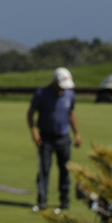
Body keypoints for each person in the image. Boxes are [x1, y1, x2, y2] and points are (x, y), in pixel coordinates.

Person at [28, 66, 80, 212]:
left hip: (64, 137)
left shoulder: (70, 94)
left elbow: (71, 113)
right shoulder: (41, 94)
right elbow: (30, 114)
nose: (63, 89)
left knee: (65, 170)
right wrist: (34, 131)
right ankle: (42, 200)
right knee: (44, 169)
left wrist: (76, 133)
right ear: (55, 82)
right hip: (45, 138)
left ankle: (64, 201)